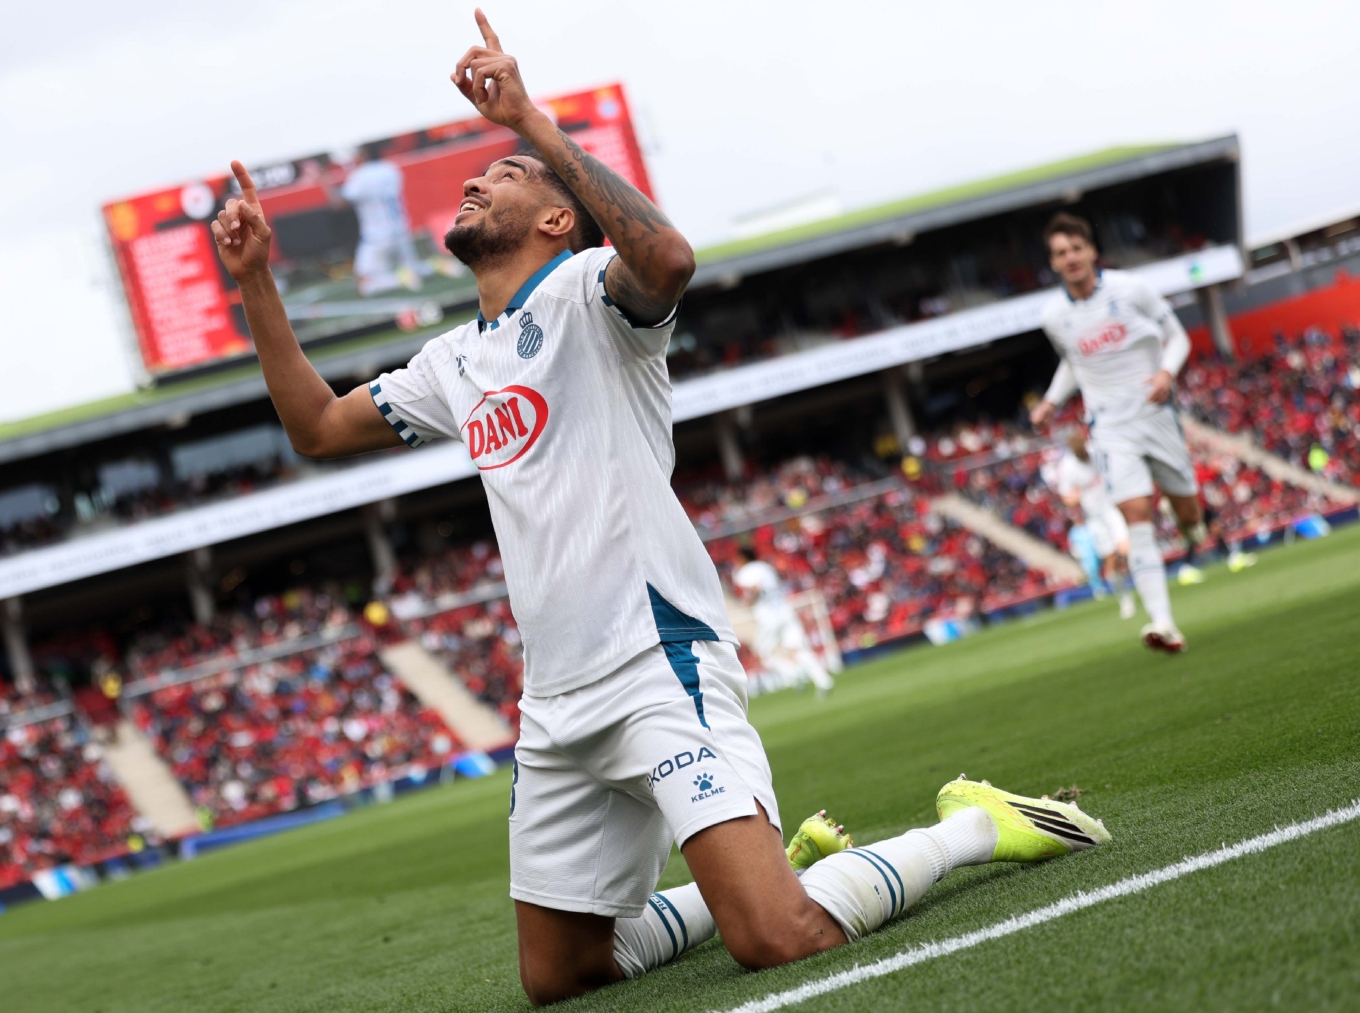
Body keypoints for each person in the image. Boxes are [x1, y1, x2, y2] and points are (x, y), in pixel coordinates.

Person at [208, 11, 1110, 1003]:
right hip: (556, 702)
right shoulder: (453, 360)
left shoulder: (595, 292)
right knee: (562, 975)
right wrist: (256, 285)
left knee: (778, 933)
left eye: (502, 178)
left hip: (653, 660)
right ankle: (773, 860)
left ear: (559, 220)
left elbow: (670, 259)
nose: (476, 180)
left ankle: (970, 822)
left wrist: (534, 125)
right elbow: (318, 429)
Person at [1030, 212, 1204, 653]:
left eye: (1075, 248)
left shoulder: (1132, 289)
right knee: (1136, 515)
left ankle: (1192, 534)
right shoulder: (1054, 316)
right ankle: (1163, 623)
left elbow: (1178, 338)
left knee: (1188, 512)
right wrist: (1052, 400)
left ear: (1091, 251)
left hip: (1155, 411)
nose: (1069, 258)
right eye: (1059, 253)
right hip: (1108, 425)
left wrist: (1166, 372)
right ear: (1052, 263)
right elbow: (1074, 360)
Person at [1051, 432, 1137, 619]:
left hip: (1112, 508)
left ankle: (1144, 584)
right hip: (1095, 518)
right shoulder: (1068, 468)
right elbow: (1067, 498)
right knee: (1110, 561)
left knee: (1125, 548)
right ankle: (1125, 599)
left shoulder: (1097, 451)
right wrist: (1078, 494)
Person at [730, 556, 833, 695]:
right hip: (785, 611)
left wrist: (748, 601)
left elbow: (755, 589)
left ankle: (793, 674)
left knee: (764, 655)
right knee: (799, 648)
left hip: (768, 617)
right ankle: (824, 681)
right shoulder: (766, 567)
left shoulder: (745, 573)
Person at [341, 141, 428, 296]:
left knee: (365, 284)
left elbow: (340, 203)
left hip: (376, 236)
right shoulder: (391, 168)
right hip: (401, 229)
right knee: (413, 268)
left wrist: (323, 180)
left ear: (365, 152)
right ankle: (433, 266)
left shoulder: (361, 176)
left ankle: (400, 279)